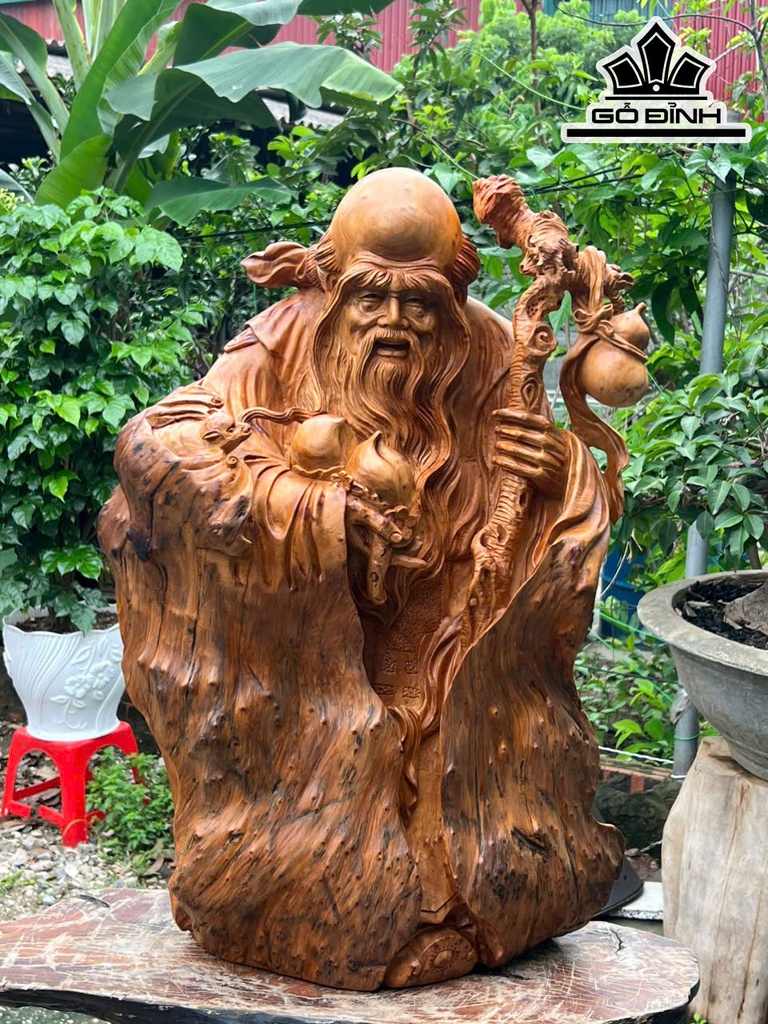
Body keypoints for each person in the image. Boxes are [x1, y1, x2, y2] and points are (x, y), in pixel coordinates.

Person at [100, 168, 623, 991]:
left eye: (419, 303)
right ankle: (333, 913)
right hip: (316, 647)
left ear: (451, 300)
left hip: (459, 639)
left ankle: (465, 912)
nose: (394, 323)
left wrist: (562, 475)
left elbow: (561, 507)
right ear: (333, 286)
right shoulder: (281, 338)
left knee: (479, 777)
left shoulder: (494, 350)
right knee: (334, 792)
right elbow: (156, 444)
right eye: (371, 298)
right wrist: (312, 511)